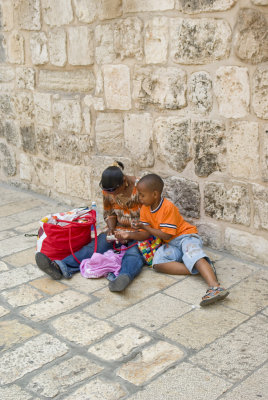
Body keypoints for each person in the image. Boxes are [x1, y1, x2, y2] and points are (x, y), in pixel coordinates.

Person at [119, 173, 230, 306]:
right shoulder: (144, 209)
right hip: (171, 244)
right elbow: (145, 235)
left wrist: (144, 226)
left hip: (185, 237)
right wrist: (128, 235)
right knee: (158, 263)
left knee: (192, 253)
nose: (140, 198)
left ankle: (215, 287)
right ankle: (202, 268)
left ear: (155, 194)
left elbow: (166, 235)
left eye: (142, 195)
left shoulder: (167, 207)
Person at [35, 161, 145, 292]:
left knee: (135, 254)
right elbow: (109, 213)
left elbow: (152, 216)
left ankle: (122, 278)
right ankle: (59, 266)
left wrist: (132, 235)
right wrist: (111, 228)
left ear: (124, 180)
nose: (112, 194)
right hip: (118, 230)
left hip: (142, 232)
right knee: (96, 246)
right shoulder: (109, 190)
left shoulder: (141, 187)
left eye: (114, 190)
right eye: (108, 191)